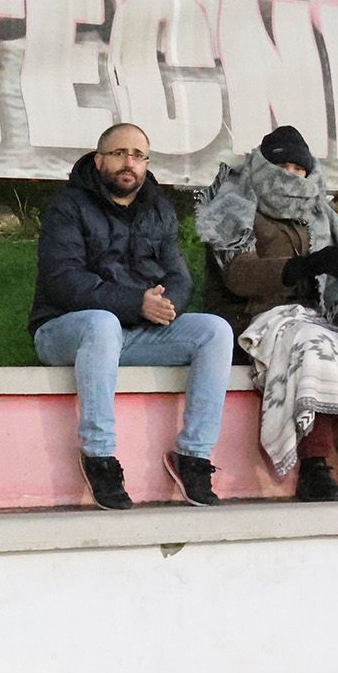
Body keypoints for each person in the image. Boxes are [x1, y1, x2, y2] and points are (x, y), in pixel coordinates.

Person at [30, 122, 234, 510]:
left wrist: (163, 303)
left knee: (215, 331)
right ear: (99, 158)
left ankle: (193, 455)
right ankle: (99, 456)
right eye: (121, 153)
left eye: (139, 156)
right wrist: (135, 303)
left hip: (129, 333)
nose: (130, 163)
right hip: (65, 330)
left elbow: (179, 277)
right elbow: (64, 282)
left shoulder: (158, 210)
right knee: (103, 323)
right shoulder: (67, 206)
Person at [197, 125, 338, 501]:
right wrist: (303, 265)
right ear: (264, 165)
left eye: (301, 169)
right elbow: (238, 274)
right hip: (250, 318)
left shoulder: (318, 212)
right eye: (284, 167)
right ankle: (313, 468)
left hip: (310, 318)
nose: (293, 176)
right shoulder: (235, 202)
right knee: (314, 345)